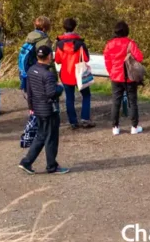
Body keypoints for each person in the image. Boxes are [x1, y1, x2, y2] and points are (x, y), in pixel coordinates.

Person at [19, 45, 69, 175]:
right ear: (49, 57)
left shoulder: (31, 70)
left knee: (41, 135)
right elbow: (51, 93)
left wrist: (31, 107)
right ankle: (51, 166)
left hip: (37, 108)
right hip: (48, 109)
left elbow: (29, 91)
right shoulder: (48, 74)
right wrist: (60, 87)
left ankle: (26, 162)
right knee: (51, 137)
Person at [103, 21, 145, 136]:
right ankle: (134, 127)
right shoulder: (130, 43)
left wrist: (111, 72)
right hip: (129, 77)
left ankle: (115, 127)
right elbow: (140, 57)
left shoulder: (109, 44)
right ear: (126, 31)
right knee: (133, 102)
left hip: (115, 77)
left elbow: (107, 60)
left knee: (116, 102)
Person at [55, 17, 94, 129]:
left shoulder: (60, 44)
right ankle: (85, 119)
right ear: (74, 27)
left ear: (64, 27)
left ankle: (73, 122)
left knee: (69, 98)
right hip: (80, 74)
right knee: (86, 95)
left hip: (66, 74)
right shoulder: (80, 43)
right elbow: (86, 59)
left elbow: (57, 60)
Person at [19, 16, 52, 93]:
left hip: (29, 69)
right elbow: (48, 59)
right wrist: (53, 76)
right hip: (41, 70)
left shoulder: (30, 36)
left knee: (32, 93)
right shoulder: (44, 40)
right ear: (45, 28)